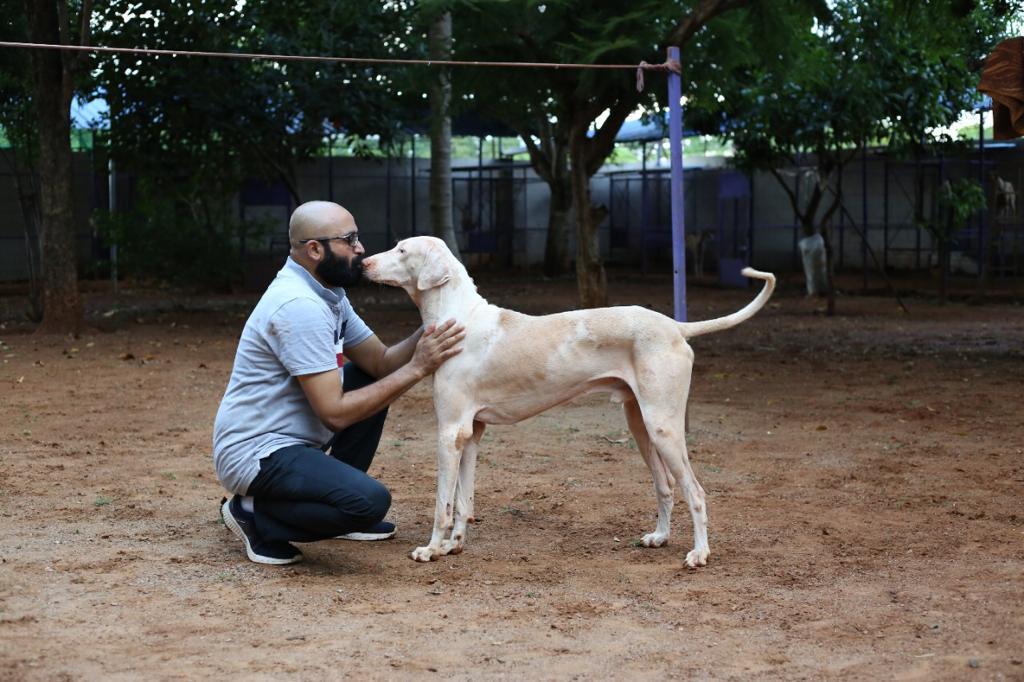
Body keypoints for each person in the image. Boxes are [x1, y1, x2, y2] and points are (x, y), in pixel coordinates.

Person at [213, 200, 464, 565]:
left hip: (294, 443)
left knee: (364, 375)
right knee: (369, 502)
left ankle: (328, 502)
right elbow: (335, 415)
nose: (361, 249)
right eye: (350, 240)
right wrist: (418, 368)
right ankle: (253, 514)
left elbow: (379, 363)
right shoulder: (299, 306)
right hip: (257, 452)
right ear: (315, 249)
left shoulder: (328, 294)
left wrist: (431, 327)